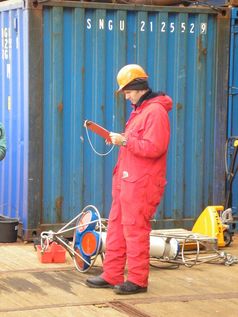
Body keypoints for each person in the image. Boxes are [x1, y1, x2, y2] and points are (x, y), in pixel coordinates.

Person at [86, 64, 173, 295]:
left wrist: (124, 141)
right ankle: (112, 273)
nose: (125, 96)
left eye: (127, 91)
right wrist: (120, 139)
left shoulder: (155, 112)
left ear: (138, 88)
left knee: (135, 230)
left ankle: (137, 280)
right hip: (128, 181)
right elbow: (138, 142)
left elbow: (155, 147)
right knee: (116, 227)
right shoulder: (141, 111)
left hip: (142, 184)